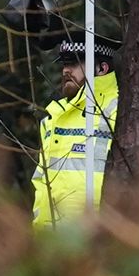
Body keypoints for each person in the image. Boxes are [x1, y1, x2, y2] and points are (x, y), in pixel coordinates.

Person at [33, 37, 119, 228]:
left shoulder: (119, 111)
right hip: (51, 241)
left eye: (75, 62)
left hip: (97, 238)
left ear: (102, 69)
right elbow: (40, 181)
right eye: (65, 63)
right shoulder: (52, 116)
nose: (66, 70)